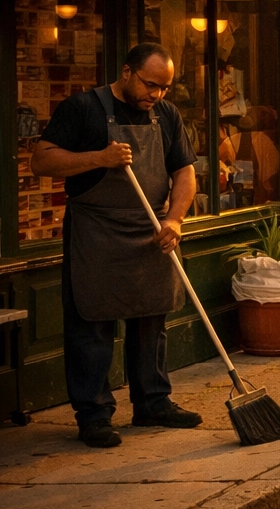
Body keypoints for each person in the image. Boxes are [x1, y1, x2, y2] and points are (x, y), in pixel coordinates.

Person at [31, 43, 203, 447]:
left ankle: (153, 403)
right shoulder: (83, 108)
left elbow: (185, 172)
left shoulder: (166, 115)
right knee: (91, 324)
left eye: (164, 88)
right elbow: (42, 161)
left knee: (151, 321)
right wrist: (99, 158)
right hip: (97, 233)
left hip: (151, 229)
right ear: (126, 72)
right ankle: (93, 416)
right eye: (150, 85)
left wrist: (175, 219)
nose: (156, 95)